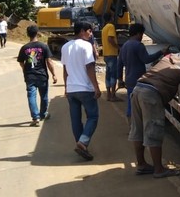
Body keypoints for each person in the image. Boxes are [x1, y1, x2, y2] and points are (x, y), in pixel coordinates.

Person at [129, 53, 180, 178]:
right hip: (151, 93)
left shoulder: (168, 58)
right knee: (154, 130)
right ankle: (159, 169)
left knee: (137, 130)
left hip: (138, 88)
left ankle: (141, 164)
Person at [61, 21, 101, 161]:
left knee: (75, 119)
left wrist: (66, 87)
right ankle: (83, 142)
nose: (91, 35)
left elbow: (65, 70)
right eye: (90, 31)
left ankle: (81, 144)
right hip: (85, 88)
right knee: (93, 116)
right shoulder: (86, 45)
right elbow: (90, 67)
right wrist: (96, 87)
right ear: (83, 31)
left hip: (72, 89)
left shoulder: (65, 47)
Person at [118, 23, 168, 119]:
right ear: (138, 33)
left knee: (131, 104)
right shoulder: (138, 45)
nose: (141, 37)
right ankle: (137, 127)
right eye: (141, 34)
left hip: (129, 80)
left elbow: (119, 64)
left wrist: (119, 79)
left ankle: (131, 126)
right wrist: (161, 52)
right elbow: (146, 59)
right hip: (139, 80)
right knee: (141, 106)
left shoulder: (124, 46)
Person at [17, 24, 57, 127]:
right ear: (37, 33)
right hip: (42, 76)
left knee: (31, 96)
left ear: (27, 34)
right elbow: (49, 61)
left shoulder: (24, 48)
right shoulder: (43, 46)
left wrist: (25, 70)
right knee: (44, 96)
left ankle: (35, 118)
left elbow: (21, 62)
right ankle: (43, 114)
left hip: (30, 76)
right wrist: (54, 74)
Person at [101, 13, 121, 101]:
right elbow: (110, 39)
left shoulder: (104, 28)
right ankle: (113, 95)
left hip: (106, 54)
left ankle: (108, 94)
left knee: (108, 74)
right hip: (112, 54)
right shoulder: (111, 26)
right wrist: (118, 47)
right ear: (111, 18)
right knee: (113, 74)